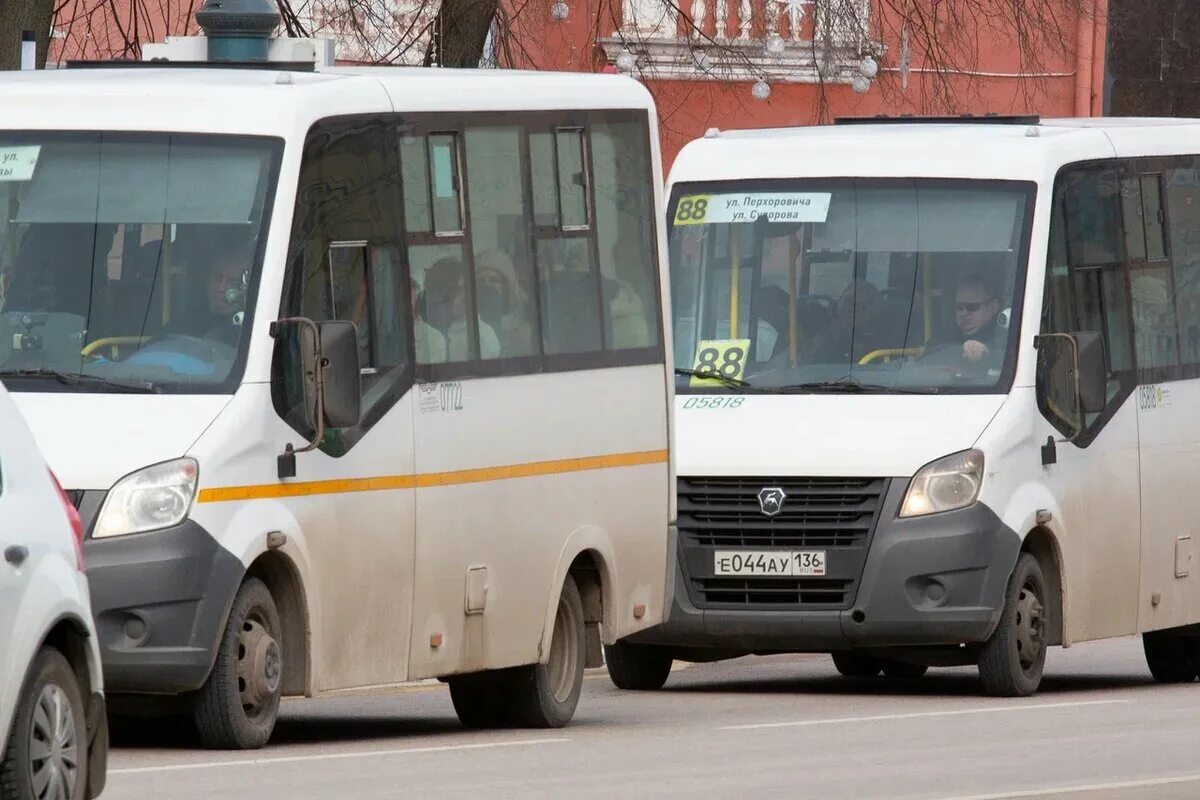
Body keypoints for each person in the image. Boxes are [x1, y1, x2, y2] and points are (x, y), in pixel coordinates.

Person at [924, 272, 1006, 368]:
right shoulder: (948, 337)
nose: (964, 313)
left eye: (972, 307)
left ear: (993, 306)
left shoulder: (1006, 338)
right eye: (959, 307)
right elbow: (927, 357)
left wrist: (987, 353)